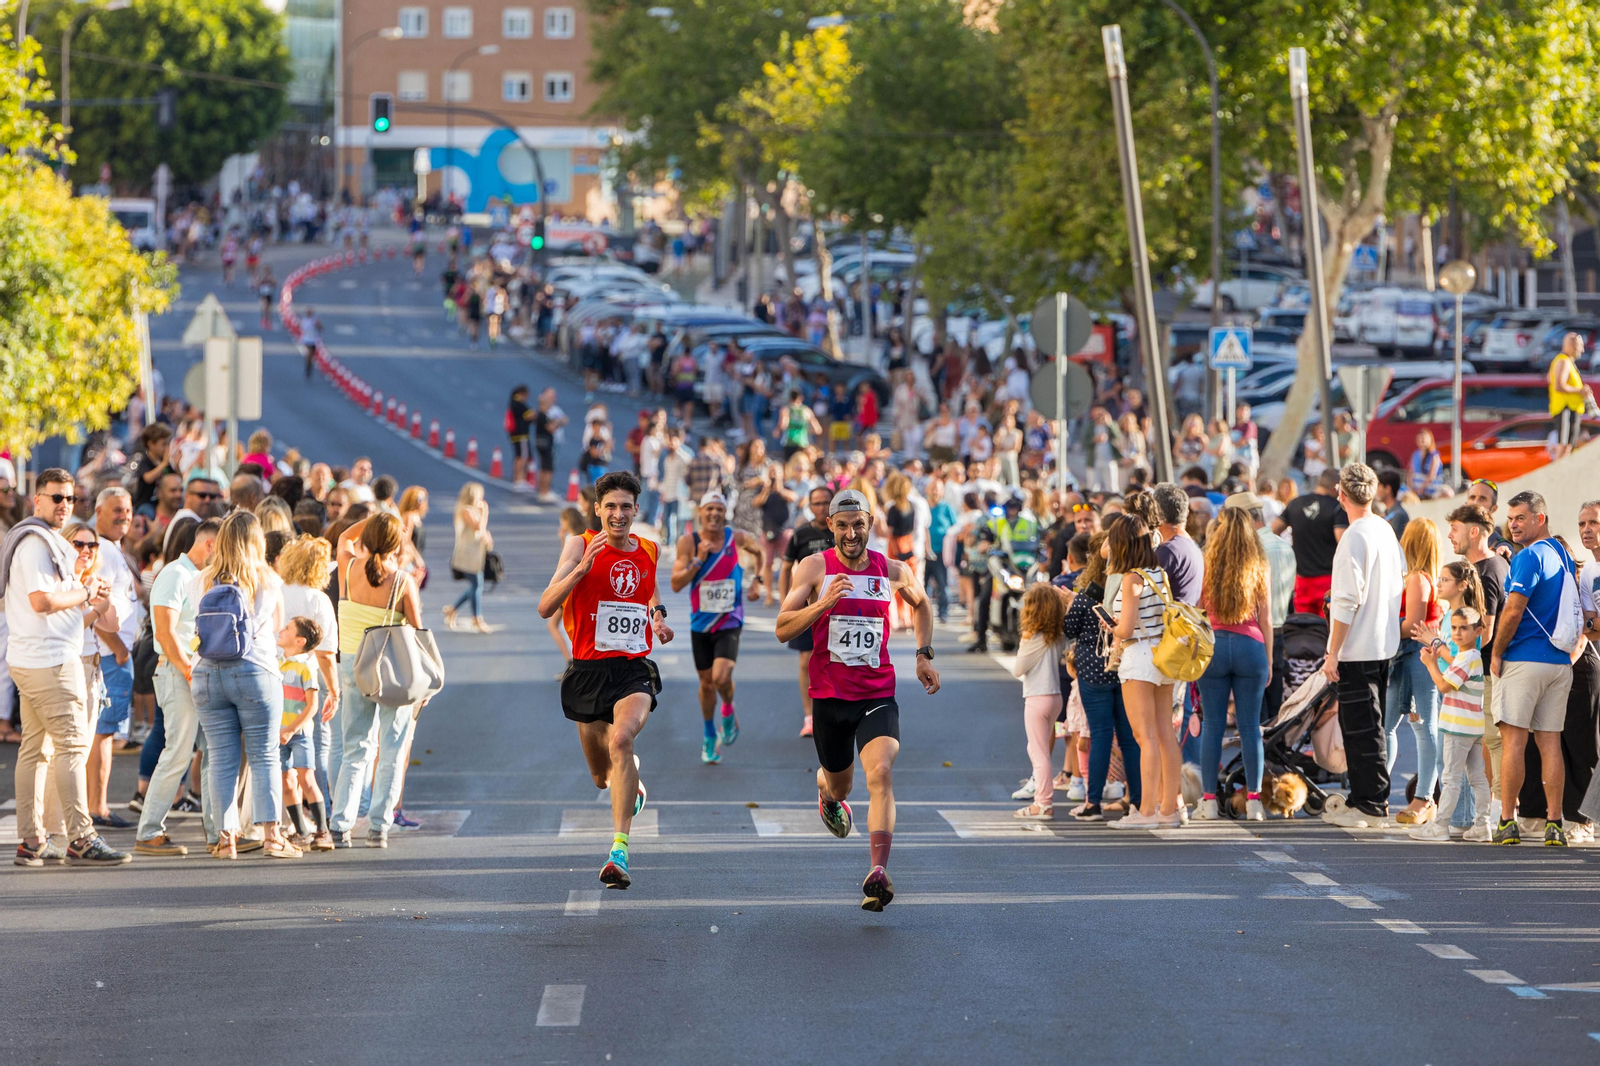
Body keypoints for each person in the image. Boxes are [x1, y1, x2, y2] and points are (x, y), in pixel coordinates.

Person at [775, 489, 941, 911]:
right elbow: (782, 626)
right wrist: (823, 604)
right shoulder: (814, 567)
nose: (851, 533)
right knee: (840, 783)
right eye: (843, 525)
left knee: (881, 773)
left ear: (870, 524)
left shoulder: (892, 570)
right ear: (830, 526)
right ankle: (826, 791)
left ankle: (879, 871)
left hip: (877, 692)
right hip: (830, 696)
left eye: (859, 524)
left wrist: (923, 654)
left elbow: (922, 606)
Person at [539, 471, 673, 889]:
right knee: (602, 778)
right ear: (597, 509)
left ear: (637, 509)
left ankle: (619, 851)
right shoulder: (578, 544)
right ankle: (627, 780)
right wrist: (582, 567)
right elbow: (545, 607)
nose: (618, 514)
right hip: (588, 671)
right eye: (610, 506)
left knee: (621, 740)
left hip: (632, 669)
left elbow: (647, 591)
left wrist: (658, 616)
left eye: (626, 507)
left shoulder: (649, 549)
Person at [4, 471, 130, 866]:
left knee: (36, 751)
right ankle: (81, 837)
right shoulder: (36, 544)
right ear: (36, 500)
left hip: (36, 658)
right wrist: (87, 592)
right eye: (56, 497)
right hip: (50, 661)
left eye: (70, 499)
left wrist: (89, 605)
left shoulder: (41, 541)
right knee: (73, 747)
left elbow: (56, 610)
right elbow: (42, 602)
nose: (64, 505)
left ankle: (32, 840)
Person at [190, 510, 297, 860]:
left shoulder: (203, 578)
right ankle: (272, 837)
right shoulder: (267, 579)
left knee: (220, 757)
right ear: (258, 541)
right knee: (265, 754)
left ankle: (226, 840)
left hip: (207, 672)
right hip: (254, 671)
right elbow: (278, 628)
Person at [1489, 491, 1585, 846]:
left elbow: (1513, 610)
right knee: (1549, 744)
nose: (1512, 524)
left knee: (1513, 742)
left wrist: (1497, 652)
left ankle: (1506, 822)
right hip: (1559, 662)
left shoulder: (1529, 556)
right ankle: (1554, 823)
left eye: (1520, 518)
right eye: (1510, 518)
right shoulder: (1561, 553)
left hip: (1525, 659)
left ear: (1539, 519)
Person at [330, 513, 428, 850]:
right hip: (391, 673)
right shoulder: (402, 582)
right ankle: (379, 826)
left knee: (354, 748)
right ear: (396, 545)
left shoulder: (347, 568)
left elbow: (343, 536)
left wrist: (374, 517)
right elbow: (416, 634)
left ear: (368, 538)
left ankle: (340, 824)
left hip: (352, 668)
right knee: (392, 749)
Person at [1321, 464, 1406, 829]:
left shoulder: (1354, 537)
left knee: (1361, 727)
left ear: (1342, 495)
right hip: (1383, 641)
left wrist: (1333, 651)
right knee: (1371, 724)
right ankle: (1367, 798)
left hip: (1358, 646)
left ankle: (1370, 803)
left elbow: (1345, 600)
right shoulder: (1385, 529)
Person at [135, 517, 220, 856]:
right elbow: (165, 632)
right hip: (178, 672)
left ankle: (218, 833)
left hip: (190, 672)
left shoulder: (196, 576)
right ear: (210, 545)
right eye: (224, 548)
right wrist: (188, 669)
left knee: (210, 752)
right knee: (179, 753)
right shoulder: (176, 574)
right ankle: (149, 831)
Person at [1193, 508, 1273, 821]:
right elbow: (1265, 618)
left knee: (1213, 725)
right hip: (1250, 646)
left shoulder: (1207, 562)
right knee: (1250, 727)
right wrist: (1267, 657)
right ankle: (1254, 801)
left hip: (1213, 645)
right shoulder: (1259, 565)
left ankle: (1209, 801)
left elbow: (1198, 611)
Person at [1104, 514, 1184, 829]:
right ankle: (1168, 809)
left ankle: (1146, 811)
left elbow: (1125, 629)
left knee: (1144, 736)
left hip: (1138, 657)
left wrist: (1110, 624)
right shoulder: (1158, 573)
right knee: (1166, 734)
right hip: (1164, 656)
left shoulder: (1131, 578)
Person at [671, 492, 762, 764]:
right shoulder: (689, 542)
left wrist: (757, 580)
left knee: (721, 677)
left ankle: (728, 709)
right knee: (706, 683)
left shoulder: (738, 538)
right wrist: (698, 559)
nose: (714, 514)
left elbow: (760, 552)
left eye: (719, 510)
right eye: (709, 509)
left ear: (725, 513)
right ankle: (710, 734)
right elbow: (676, 583)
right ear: (700, 512)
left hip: (730, 620)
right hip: (700, 623)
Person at [1408, 609, 1493, 842]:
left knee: (1451, 778)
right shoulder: (1472, 657)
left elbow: (1445, 686)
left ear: (1478, 631)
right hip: (1473, 727)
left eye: (1463, 628)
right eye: (1454, 628)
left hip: (1457, 727)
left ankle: (1441, 826)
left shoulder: (1466, 658)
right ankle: (1483, 825)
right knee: (1478, 778)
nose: (1457, 633)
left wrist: (1430, 664)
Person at [1385, 519, 1446, 826]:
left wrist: (1380, 629)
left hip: (1413, 654)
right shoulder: (1423, 578)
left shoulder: (1417, 579)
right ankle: (1407, 795)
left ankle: (1425, 798)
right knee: (1404, 725)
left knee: (1421, 726)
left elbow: (1413, 625)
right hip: (1413, 655)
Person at [85, 488, 139, 828]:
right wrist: (118, 647)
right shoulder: (101, 549)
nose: (125, 516)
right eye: (117, 510)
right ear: (99, 510)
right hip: (110, 655)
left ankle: (95, 805)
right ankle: (98, 806)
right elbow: (93, 606)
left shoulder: (109, 548)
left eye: (128, 510)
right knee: (102, 734)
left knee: (102, 734)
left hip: (111, 654)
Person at [275, 534, 339, 809]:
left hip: (273, 675)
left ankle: (285, 815)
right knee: (316, 745)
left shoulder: (276, 590)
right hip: (306, 678)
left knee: (277, 749)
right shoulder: (319, 599)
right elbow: (325, 653)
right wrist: (334, 691)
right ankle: (318, 810)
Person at [781, 486, 836, 738]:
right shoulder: (801, 534)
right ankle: (809, 716)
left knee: (833, 660)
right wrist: (785, 605)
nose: (821, 508)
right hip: (807, 608)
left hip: (837, 609)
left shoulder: (841, 532)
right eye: (816, 503)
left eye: (826, 503)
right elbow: (785, 569)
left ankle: (834, 709)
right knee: (806, 661)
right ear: (809, 506)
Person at [276, 616, 331, 849]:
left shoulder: (306, 667)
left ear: (299, 640)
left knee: (306, 779)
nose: (281, 630)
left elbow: (312, 706)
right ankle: (301, 831)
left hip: (299, 733)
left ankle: (322, 831)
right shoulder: (276, 663)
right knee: (286, 782)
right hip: (277, 734)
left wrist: (291, 729)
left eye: (287, 629)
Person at [1012, 584, 1066, 820]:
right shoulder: (1058, 634)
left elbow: (1018, 669)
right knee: (1042, 748)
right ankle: (1043, 800)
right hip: (1056, 698)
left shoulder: (1033, 637)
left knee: (1038, 751)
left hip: (1037, 697)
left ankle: (1043, 803)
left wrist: (1024, 640)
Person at [1274, 468, 1347, 617]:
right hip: (1328, 580)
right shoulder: (1337, 508)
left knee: (1304, 628)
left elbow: (1273, 530)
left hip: (1301, 580)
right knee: (1326, 630)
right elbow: (1343, 542)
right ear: (1335, 486)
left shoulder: (1295, 504)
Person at [445, 482, 493, 633]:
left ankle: (453, 609)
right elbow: (479, 527)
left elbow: (481, 531)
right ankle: (477, 618)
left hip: (475, 553)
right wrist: (485, 512)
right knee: (477, 584)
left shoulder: (471, 510)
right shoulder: (465, 510)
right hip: (467, 554)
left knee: (476, 585)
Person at [1152, 482, 1203, 605]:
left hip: (1170, 622)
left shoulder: (1168, 551)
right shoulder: (1192, 546)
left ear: (1156, 514)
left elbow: (1145, 598)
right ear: (1186, 513)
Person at [1548, 332, 1588, 461]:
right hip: (1565, 408)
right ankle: (1558, 473)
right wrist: (1579, 391)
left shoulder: (1566, 362)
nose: (1582, 350)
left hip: (1572, 408)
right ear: (1571, 345)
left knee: (1569, 444)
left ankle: (1562, 470)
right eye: (1580, 346)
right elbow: (1558, 385)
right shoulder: (1563, 361)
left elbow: (1549, 378)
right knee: (1564, 444)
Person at [1407, 430, 1446, 500]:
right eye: (1419, 439)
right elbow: (1410, 473)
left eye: (1424, 439)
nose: (1421, 441)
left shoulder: (1434, 456)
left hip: (1430, 492)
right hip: (1416, 491)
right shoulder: (1415, 455)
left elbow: (1431, 476)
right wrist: (1411, 488)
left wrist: (1421, 489)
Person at [508, 385, 534, 487]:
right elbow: (529, 415)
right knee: (523, 456)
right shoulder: (519, 404)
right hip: (521, 434)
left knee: (518, 455)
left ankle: (517, 478)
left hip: (515, 434)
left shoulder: (512, 402)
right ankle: (519, 479)